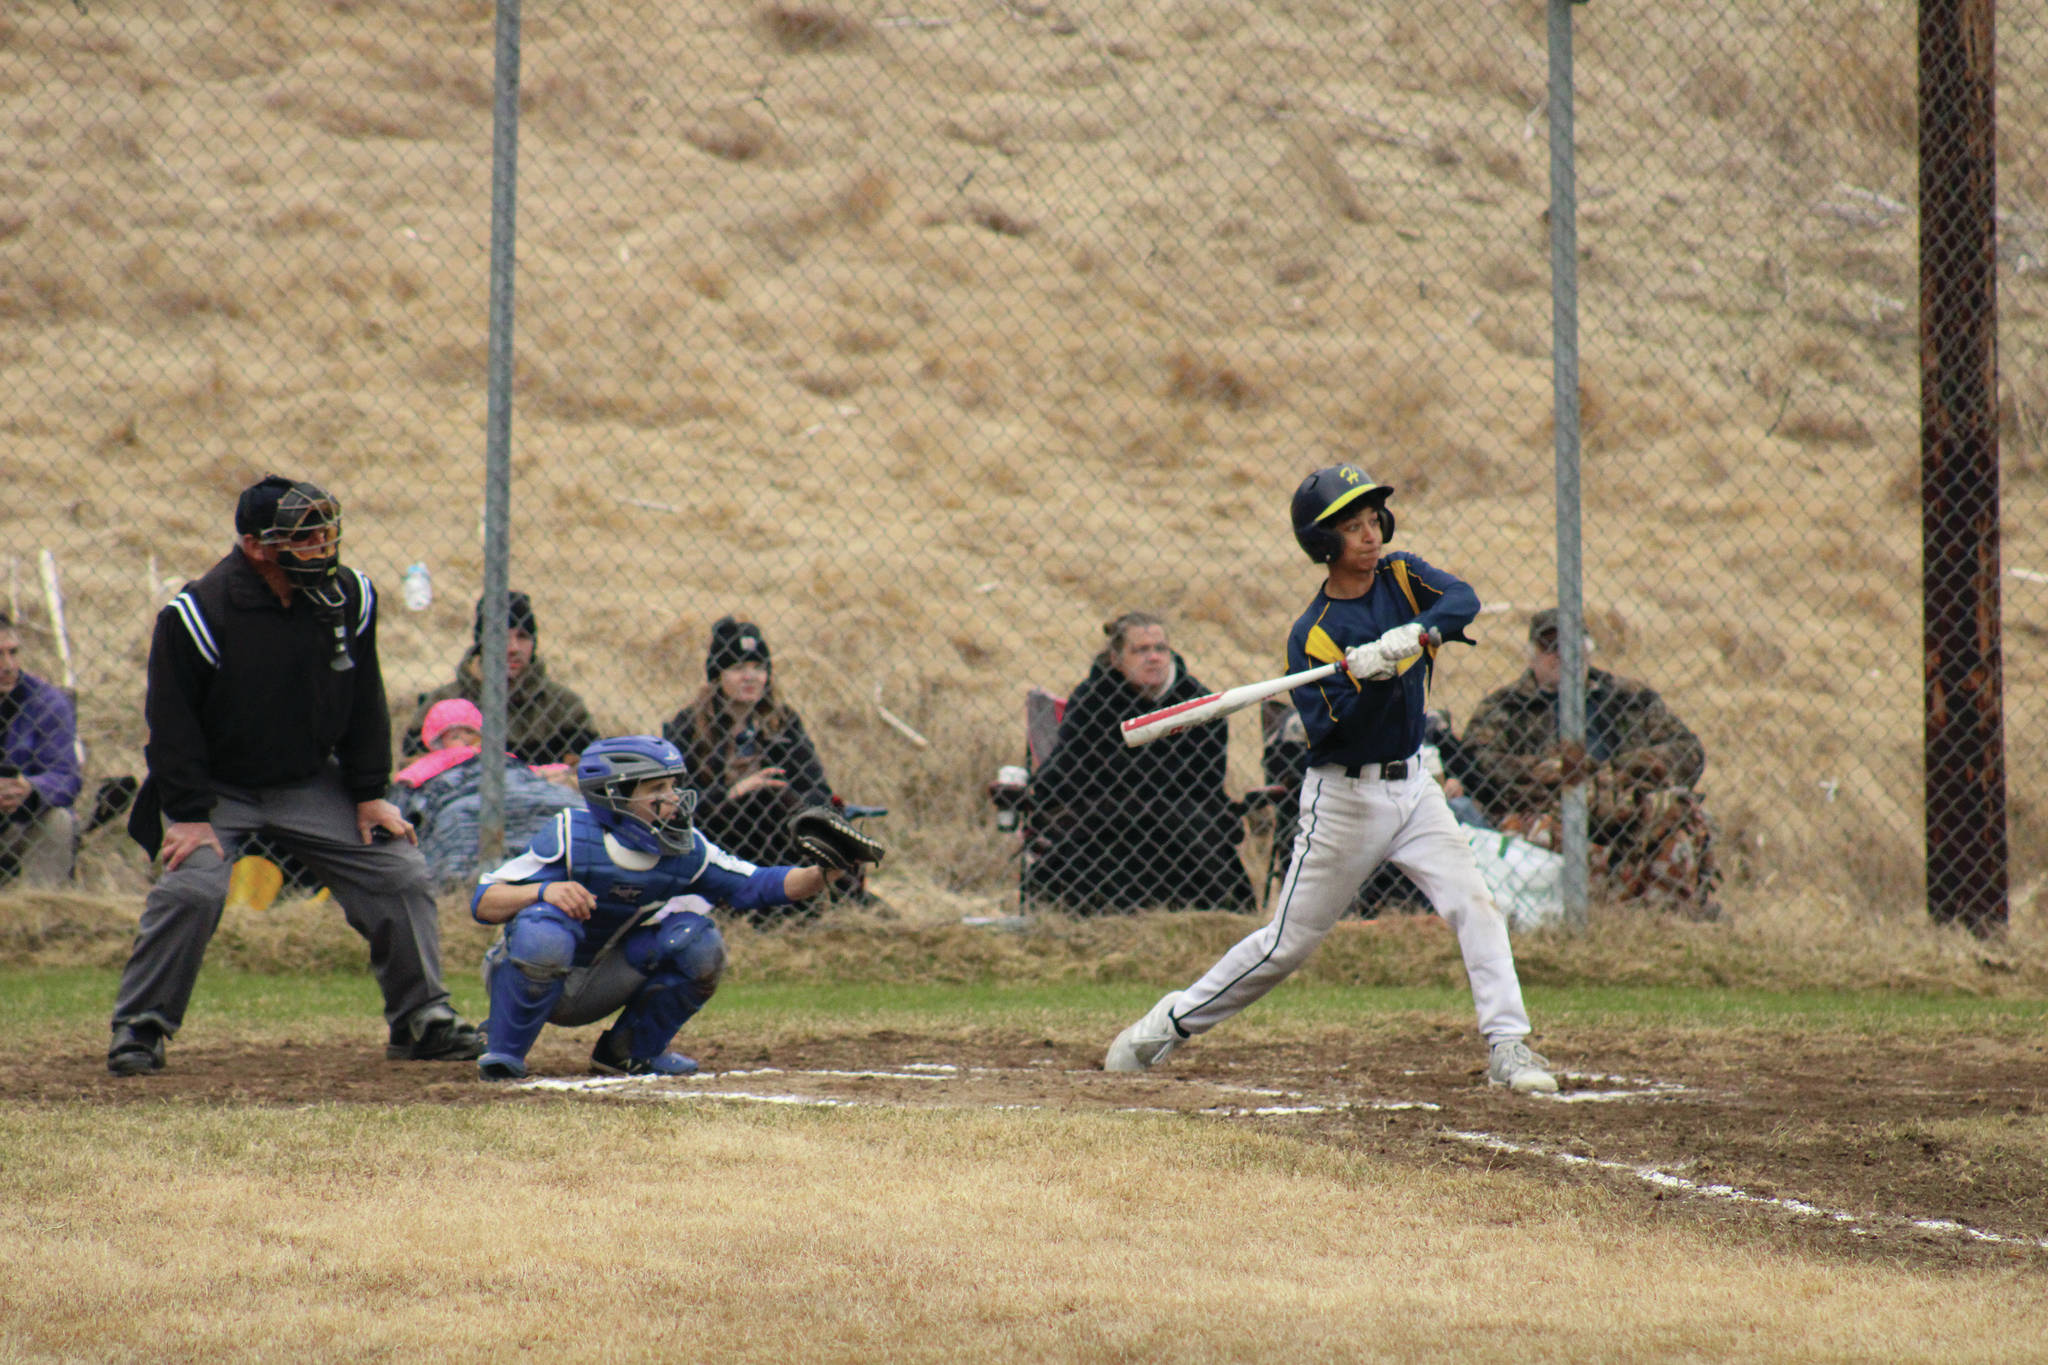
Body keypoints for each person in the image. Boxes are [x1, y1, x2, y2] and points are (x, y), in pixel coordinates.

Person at [1104, 465, 1557, 1094]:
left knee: (1475, 903)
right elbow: (1335, 734)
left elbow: (1463, 601)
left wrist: (1413, 634)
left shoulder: (1403, 576)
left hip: (1416, 787)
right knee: (1284, 947)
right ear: (1324, 543)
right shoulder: (1313, 635)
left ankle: (1509, 1046)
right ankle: (1164, 1026)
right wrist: (1368, 678)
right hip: (1345, 800)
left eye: (1373, 521)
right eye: (1352, 527)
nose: (1369, 536)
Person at [107, 476, 485, 1076]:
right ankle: (140, 1027)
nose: (322, 546)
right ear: (258, 547)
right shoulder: (197, 613)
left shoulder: (351, 596)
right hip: (216, 789)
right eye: (304, 537)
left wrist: (368, 796)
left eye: (326, 532)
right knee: (193, 887)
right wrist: (187, 816)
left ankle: (422, 1021)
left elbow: (365, 697)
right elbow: (170, 725)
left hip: (308, 780)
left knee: (398, 870)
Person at [470, 735, 864, 1081]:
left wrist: (823, 871)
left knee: (697, 941)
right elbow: (484, 902)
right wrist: (543, 892)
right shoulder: (571, 834)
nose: (673, 799)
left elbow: (757, 886)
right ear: (615, 794)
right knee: (544, 931)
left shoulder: (685, 847)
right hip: (527, 966)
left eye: (673, 786)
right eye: (657, 788)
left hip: (601, 979)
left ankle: (628, 1052)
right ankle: (505, 1051)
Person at [1460, 608, 1719, 916]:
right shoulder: (1506, 707)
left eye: (1572, 646)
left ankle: (1663, 920)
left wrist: (1616, 775)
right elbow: (1479, 763)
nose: (1562, 655)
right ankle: (1572, 914)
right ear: (1533, 656)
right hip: (1549, 808)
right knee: (1531, 828)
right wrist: (1561, 773)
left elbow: (1687, 751)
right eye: (1551, 648)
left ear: (1588, 650)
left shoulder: (1629, 699)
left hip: (1629, 805)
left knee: (1677, 815)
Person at [1026, 613, 1258, 914]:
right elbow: (1073, 765)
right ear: (1116, 658)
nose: (1153, 658)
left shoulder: (1198, 703)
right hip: (1106, 819)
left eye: (1160, 649)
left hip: (1180, 821)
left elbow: (1203, 779)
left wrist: (1123, 773)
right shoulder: (1092, 699)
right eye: (1140, 650)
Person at [661, 617, 836, 875]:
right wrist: (735, 792)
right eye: (738, 667)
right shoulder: (688, 726)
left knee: (775, 797)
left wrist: (801, 809)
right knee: (761, 798)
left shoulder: (783, 722)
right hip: (722, 828)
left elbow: (816, 786)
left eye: (758, 667)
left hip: (780, 822)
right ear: (718, 675)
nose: (750, 677)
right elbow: (677, 800)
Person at [391, 698, 581, 892]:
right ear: (439, 742)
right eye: (454, 736)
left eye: (470, 732)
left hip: (510, 784)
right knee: (461, 815)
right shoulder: (438, 759)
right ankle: (463, 877)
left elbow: (526, 771)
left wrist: (558, 770)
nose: (464, 740)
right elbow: (411, 777)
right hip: (466, 790)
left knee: (562, 800)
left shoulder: (496, 756)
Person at [404, 591, 601, 765]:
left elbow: (589, 772)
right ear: (481, 644)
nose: (513, 648)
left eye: (522, 636)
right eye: (501, 637)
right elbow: (414, 768)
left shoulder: (564, 706)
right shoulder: (442, 704)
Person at [0, 611, 81, 887]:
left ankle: (38, 912)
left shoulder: (47, 703)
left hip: (15, 825)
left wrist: (30, 788)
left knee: (58, 820)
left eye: (13, 652)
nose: (8, 665)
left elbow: (66, 777)